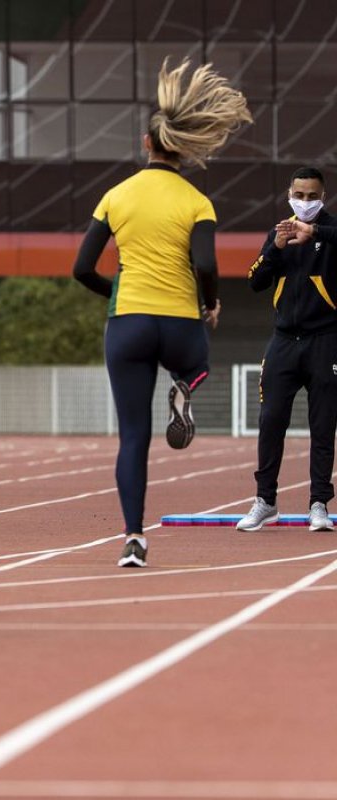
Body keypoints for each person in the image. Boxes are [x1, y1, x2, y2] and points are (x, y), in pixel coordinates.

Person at [72, 59, 251, 568]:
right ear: (184, 147)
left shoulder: (116, 195)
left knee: (132, 437)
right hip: (179, 323)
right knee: (196, 362)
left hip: (127, 322)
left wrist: (116, 295)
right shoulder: (197, 200)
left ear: (147, 144)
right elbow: (207, 263)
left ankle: (133, 538)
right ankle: (185, 386)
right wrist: (209, 303)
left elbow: (81, 268)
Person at [237, 167, 337, 533]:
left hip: (326, 340)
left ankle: (319, 505)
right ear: (289, 194)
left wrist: (317, 232)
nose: (305, 202)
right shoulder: (279, 232)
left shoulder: (329, 231)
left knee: (323, 423)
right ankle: (266, 500)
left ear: (323, 197)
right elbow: (255, 280)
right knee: (271, 419)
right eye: (300, 195)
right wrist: (276, 249)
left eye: (312, 196)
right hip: (283, 341)